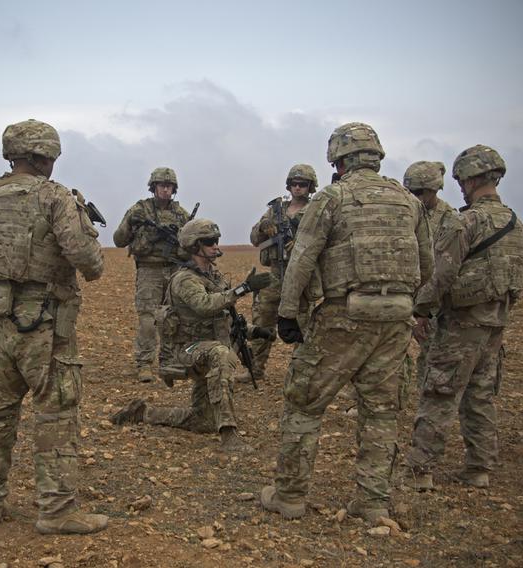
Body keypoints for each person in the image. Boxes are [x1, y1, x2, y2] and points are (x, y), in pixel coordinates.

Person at [260, 122, 432, 523]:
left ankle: (289, 495)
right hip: (396, 319)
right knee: (381, 410)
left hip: (344, 315)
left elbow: (302, 257)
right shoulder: (409, 201)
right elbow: (427, 265)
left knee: (304, 402)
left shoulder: (331, 198)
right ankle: (372, 503)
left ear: (338, 160)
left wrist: (287, 312)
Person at [0, 119, 108, 534]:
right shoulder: (53, 197)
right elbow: (86, 259)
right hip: (44, 324)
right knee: (54, 414)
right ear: (43, 157)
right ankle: (56, 511)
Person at [406, 145, 523, 491]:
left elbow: (442, 275)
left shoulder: (466, 221)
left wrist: (420, 310)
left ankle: (420, 469)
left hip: (462, 324)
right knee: (480, 394)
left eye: (462, 179)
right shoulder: (515, 223)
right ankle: (479, 468)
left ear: (474, 179)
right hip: (495, 323)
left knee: (440, 392)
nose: (459, 186)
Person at [110, 219, 272, 452]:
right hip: (185, 350)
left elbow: (224, 316)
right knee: (222, 355)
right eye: (209, 242)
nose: (216, 246)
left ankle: (144, 413)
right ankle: (229, 435)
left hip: (202, 347)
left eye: (216, 241)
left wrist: (254, 331)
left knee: (203, 421)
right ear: (194, 246)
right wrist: (243, 288)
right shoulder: (184, 279)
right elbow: (205, 305)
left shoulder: (214, 277)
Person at [241, 164, 318, 384]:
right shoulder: (276, 210)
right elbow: (254, 238)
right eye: (294, 183)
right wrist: (264, 227)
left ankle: (301, 374)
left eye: (302, 184)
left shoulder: (315, 210)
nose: (297, 188)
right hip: (275, 273)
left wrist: (301, 246)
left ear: (310, 187)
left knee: (303, 324)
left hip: (300, 275)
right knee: (262, 319)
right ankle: (255, 369)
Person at [112, 167, 191, 383]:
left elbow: (192, 245)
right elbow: (118, 240)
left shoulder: (182, 215)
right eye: (161, 185)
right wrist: (131, 222)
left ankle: (170, 361)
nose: (165, 189)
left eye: (169, 186)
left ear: (174, 189)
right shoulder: (140, 210)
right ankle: (144, 364)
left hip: (175, 269)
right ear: (153, 187)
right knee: (148, 319)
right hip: (149, 270)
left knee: (173, 318)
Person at [402, 161, 457, 385]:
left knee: (433, 354)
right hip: (405, 293)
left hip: (433, 301)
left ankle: (427, 397)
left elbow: (445, 267)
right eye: (409, 191)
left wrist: (423, 309)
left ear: (433, 189)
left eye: (417, 192)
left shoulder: (449, 219)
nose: (412, 196)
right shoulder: (406, 212)